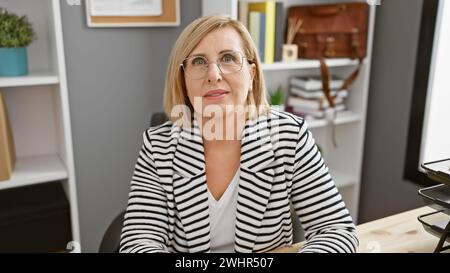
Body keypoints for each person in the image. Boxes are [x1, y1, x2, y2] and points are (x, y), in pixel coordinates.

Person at [119, 15, 358, 253]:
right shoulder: (158, 146)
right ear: (183, 79)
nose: (213, 74)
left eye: (228, 58)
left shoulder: (290, 136)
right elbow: (137, 243)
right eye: (199, 61)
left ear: (252, 74)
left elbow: (336, 229)